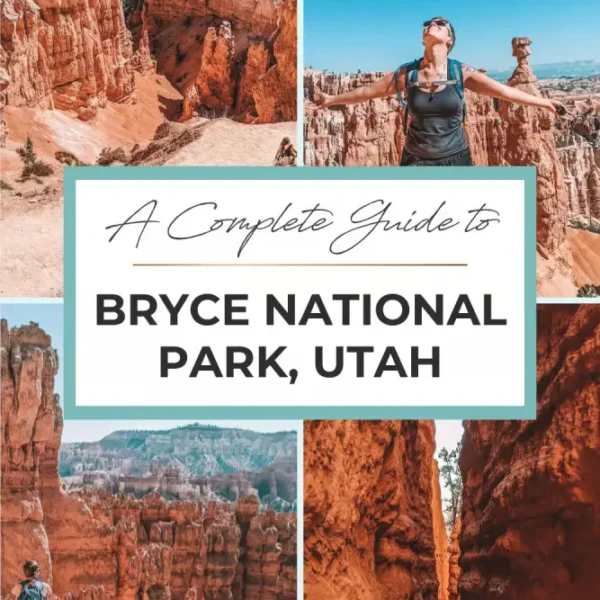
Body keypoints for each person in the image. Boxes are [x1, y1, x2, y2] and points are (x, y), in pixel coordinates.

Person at [312, 17, 569, 166]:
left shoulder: (460, 72)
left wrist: (545, 104)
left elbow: (504, 92)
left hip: (456, 159)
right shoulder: (407, 73)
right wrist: (331, 99)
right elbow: (367, 92)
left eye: (439, 23)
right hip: (415, 161)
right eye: (428, 23)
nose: (430, 24)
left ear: (449, 40)